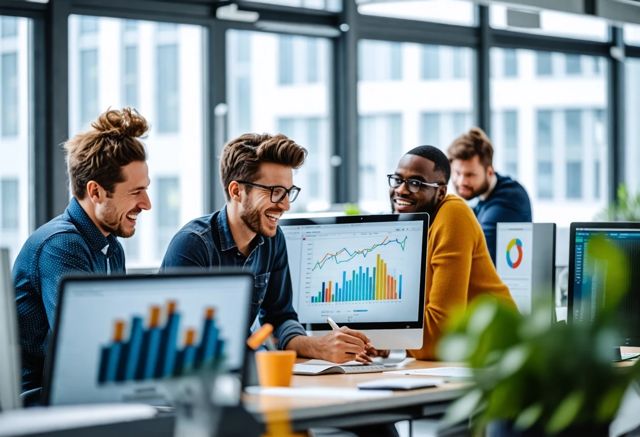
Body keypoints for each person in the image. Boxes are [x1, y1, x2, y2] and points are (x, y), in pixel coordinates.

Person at [161, 133, 373, 363]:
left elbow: (279, 318)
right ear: (236, 191)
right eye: (275, 191)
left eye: (288, 192)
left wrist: (319, 347)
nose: (285, 205)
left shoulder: (272, 239)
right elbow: (178, 341)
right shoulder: (193, 244)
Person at [13, 107, 152, 392]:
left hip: (86, 394)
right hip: (40, 402)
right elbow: (85, 351)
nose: (147, 203)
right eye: (136, 192)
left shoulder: (111, 248)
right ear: (96, 191)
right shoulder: (61, 245)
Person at [388, 145, 516, 360]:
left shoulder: (453, 214)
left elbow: (438, 339)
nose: (401, 190)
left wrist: (389, 339)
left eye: (415, 183)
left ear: (440, 192)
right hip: (465, 357)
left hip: (502, 356)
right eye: (398, 180)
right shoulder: (413, 225)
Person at [447, 127, 532, 264]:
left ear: (489, 172)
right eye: (457, 173)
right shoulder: (484, 198)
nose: (461, 181)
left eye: (470, 174)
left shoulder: (507, 201)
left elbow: (473, 257)